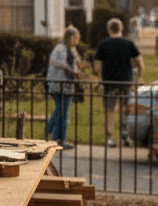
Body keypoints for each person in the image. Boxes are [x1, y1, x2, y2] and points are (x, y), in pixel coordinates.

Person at [93, 17, 143, 148]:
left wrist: (97, 73)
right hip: (126, 83)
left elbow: (97, 67)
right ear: (121, 28)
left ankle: (109, 138)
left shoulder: (104, 44)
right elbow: (140, 63)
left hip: (109, 83)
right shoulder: (129, 43)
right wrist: (140, 77)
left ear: (109, 29)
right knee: (125, 110)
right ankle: (125, 136)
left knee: (109, 111)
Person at [44, 25, 82, 150]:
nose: (76, 40)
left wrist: (78, 71)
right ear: (68, 37)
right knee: (62, 111)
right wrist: (71, 69)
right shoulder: (60, 48)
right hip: (57, 84)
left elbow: (75, 65)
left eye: (77, 38)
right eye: (74, 37)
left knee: (62, 111)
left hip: (66, 85)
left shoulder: (72, 50)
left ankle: (55, 137)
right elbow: (57, 61)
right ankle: (57, 138)